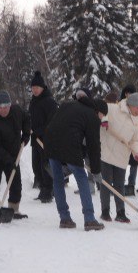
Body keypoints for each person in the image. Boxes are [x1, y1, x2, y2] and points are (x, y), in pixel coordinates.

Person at [42, 89, 106, 230]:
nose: (102, 119)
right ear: (98, 111)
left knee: (58, 180)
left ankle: (64, 218)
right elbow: (94, 147)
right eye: (103, 115)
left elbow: (65, 127)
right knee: (82, 178)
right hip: (68, 144)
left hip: (51, 142)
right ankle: (89, 219)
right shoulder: (92, 116)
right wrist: (96, 171)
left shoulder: (68, 105)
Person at [0, 90, 31, 218]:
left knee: (15, 181)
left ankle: (13, 210)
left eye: (6, 107)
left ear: (10, 105)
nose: (3, 110)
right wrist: (9, 160)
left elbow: (26, 119)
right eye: (0, 107)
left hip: (13, 152)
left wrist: (26, 135)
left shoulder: (16, 111)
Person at [99, 92, 138, 223]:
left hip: (121, 155)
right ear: (131, 105)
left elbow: (136, 141)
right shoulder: (114, 109)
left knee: (119, 185)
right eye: (137, 108)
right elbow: (99, 109)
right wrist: (104, 119)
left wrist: (137, 152)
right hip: (107, 150)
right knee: (106, 184)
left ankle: (121, 213)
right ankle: (105, 212)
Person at [28, 71, 59, 203]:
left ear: (42, 88)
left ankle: (48, 191)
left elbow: (53, 122)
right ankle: (43, 188)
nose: (35, 90)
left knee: (45, 166)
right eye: (33, 88)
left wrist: (39, 131)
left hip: (46, 140)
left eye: (37, 88)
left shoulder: (49, 101)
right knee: (36, 165)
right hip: (35, 139)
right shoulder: (33, 102)